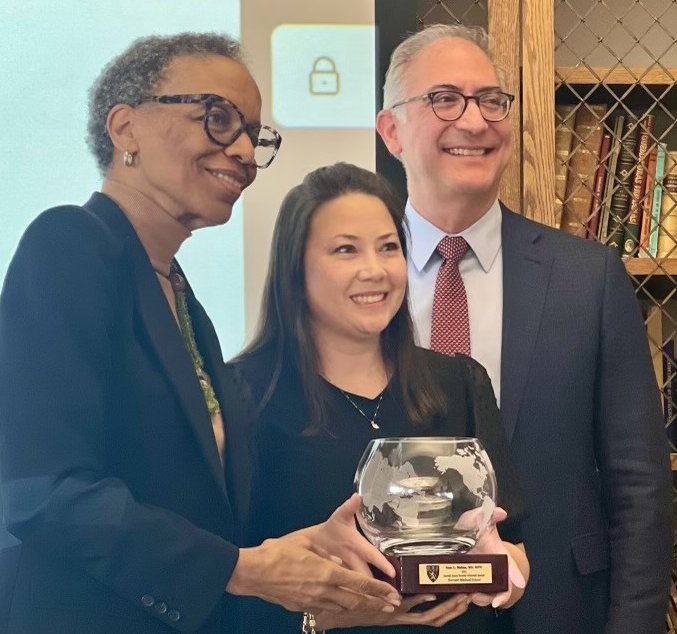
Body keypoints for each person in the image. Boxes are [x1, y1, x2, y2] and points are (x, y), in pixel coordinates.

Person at [0, 33, 402, 634]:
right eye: (217, 119)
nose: (242, 150)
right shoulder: (70, 245)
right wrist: (241, 568)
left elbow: (190, 509)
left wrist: (302, 549)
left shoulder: (182, 297)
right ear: (124, 127)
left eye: (254, 134)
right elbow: (42, 490)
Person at [375, 23, 673, 634]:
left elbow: (639, 481)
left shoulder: (586, 279)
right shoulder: (352, 276)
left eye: (492, 100)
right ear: (392, 131)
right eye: (445, 99)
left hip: (559, 609)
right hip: (390, 613)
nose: (476, 121)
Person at [225, 162, 529, 633]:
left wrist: (505, 575)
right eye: (345, 249)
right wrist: (317, 617)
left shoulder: (460, 382)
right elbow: (220, 580)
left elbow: (512, 547)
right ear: (295, 268)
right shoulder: (242, 397)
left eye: (388, 248)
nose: (374, 270)